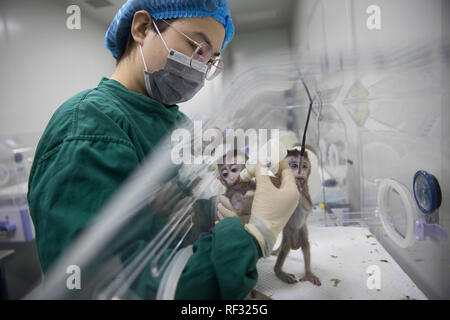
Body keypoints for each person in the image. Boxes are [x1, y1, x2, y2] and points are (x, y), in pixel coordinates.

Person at [27, 0, 300, 299]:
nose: (202, 68)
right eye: (199, 48)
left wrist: (235, 206)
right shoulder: (89, 127)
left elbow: (174, 215)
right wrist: (259, 233)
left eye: (211, 61)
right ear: (143, 28)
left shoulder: (173, 122)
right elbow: (110, 287)